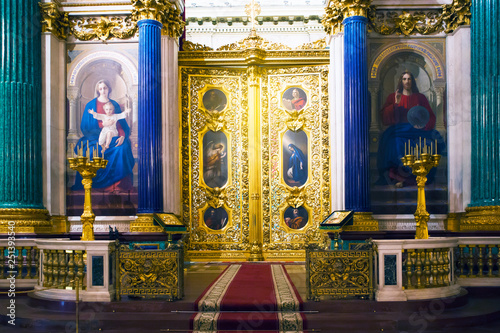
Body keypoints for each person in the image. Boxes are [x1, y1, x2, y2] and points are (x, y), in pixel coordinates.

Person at [376, 71, 445, 187]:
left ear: (413, 81)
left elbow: (430, 116)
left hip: (418, 130)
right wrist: (396, 104)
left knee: (431, 143)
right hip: (399, 130)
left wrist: (423, 124)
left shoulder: (420, 97)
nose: (407, 81)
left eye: (409, 79)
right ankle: (400, 178)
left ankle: (420, 177)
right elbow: (385, 118)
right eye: (404, 79)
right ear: (401, 81)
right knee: (395, 143)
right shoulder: (393, 97)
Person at [72, 79, 135, 191]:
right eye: (100, 88)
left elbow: (121, 124)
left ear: (108, 89)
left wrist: (122, 136)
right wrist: (103, 125)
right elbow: (85, 126)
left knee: (122, 148)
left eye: (105, 88)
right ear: (97, 90)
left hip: (114, 135)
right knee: (91, 151)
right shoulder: (91, 105)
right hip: (95, 137)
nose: (103, 90)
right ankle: (91, 185)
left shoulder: (114, 104)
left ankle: (118, 185)